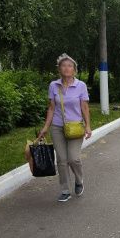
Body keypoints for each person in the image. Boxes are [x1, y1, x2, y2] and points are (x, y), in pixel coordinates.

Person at [37, 54, 92, 203]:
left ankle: (79, 180)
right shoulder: (53, 86)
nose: (66, 68)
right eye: (63, 65)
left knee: (73, 158)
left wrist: (87, 126)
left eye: (69, 66)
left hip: (75, 128)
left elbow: (84, 107)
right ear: (59, 69)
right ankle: (65, 190)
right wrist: (45, 127)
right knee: (61, 160)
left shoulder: (80, 85)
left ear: (74, 69)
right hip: (57, 127)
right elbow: (51, 108)